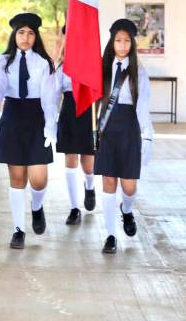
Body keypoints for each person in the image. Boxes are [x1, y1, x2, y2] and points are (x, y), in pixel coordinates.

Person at [0, 13, 57, 250]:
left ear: (35, 36)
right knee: (17, 178)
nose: (25, 37)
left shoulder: (43, 63)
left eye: (30, 33)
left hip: (36, 116)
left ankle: (37, 207)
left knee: (39, 180)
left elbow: (49, 98)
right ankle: (18, 229)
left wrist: (51, 125)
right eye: (21, 33)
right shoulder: (3, 61)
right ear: (14, 35)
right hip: (13, 116)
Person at [94, 19, 153, 254]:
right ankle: (110, 235)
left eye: (127, 40)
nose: (122, 45)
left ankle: (126, 211)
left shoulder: (138, 71)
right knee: (108, 182)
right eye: (118, 40)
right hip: (106, 127)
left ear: (132, 43)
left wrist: (147, 135)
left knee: (129, 187)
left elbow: (143, 105)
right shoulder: (101, 68)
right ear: (111, 42)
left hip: (129, 127)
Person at [54, 25, 96, 225]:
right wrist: (50, 119)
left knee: (87, 161)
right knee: (70, 158)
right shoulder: (62, 66)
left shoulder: (93, 63)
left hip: (88, 110)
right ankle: (74, 208)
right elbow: (55, 94)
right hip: (69, 110)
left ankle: (89, 186)